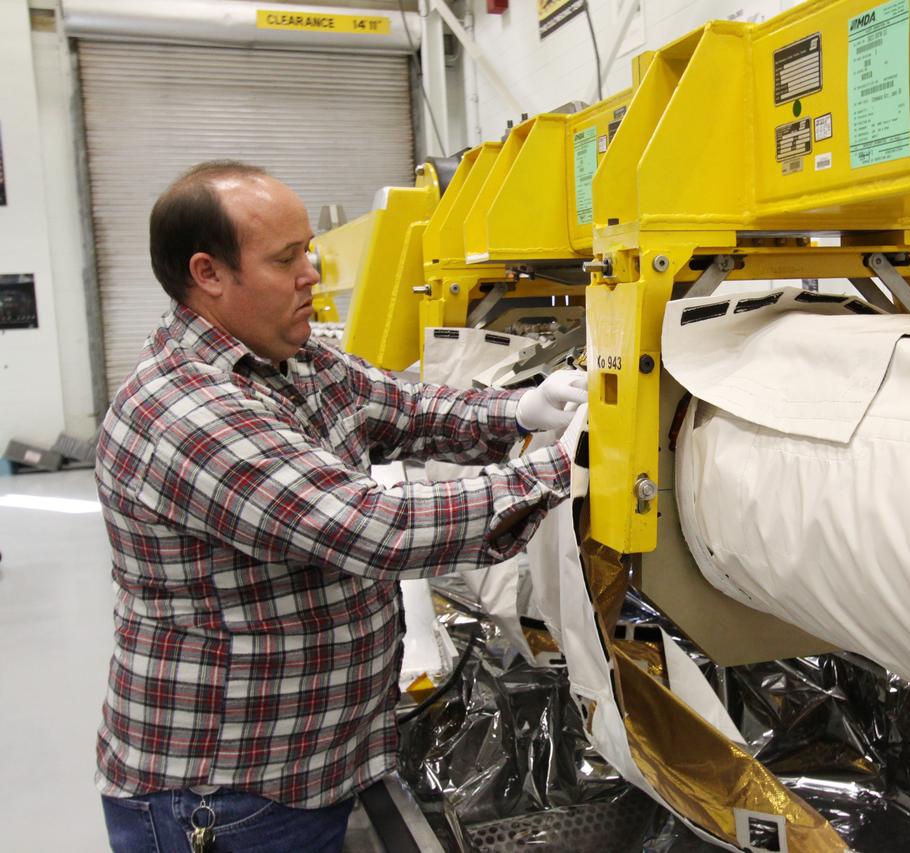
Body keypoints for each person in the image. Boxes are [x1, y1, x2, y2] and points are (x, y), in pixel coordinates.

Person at [94, 161, 586, 852]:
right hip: (226, 795)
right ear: (208, 273)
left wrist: (521, 408)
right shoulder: (185, 410)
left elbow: (406, 406)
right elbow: (371, 526)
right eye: (287, 258)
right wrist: (561, 469)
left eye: (309, 251)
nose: (313, 274)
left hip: (303, 768)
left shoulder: (289, 358)